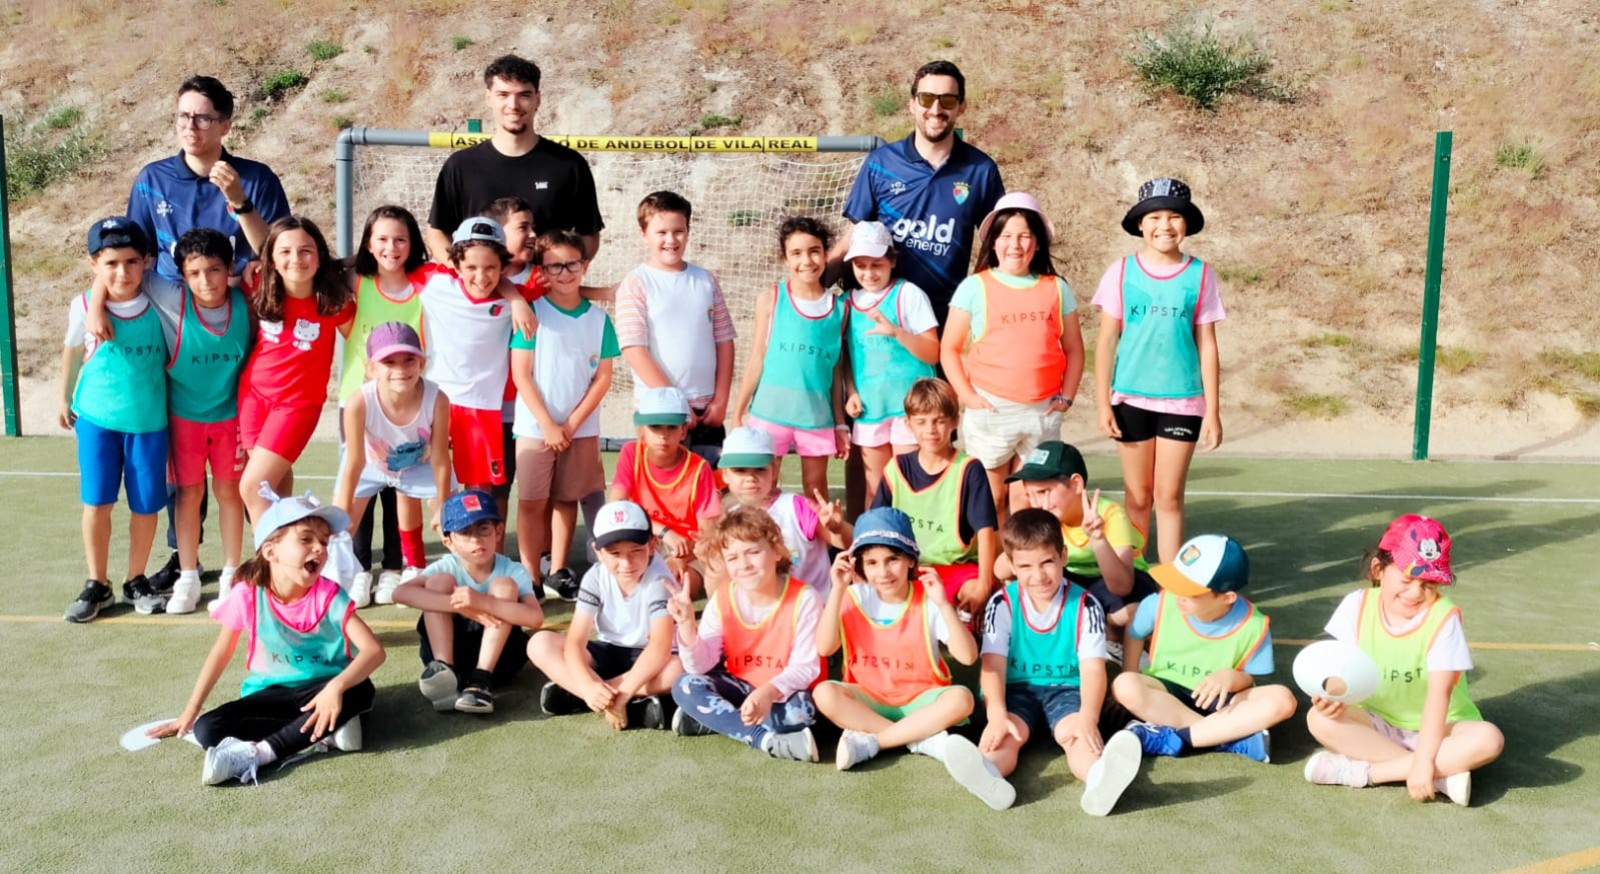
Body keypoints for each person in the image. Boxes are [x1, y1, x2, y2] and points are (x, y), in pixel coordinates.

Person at [125, 75, 290, 593]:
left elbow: (277, 253)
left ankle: (272, 545)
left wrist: (239, 202)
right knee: (185, 459)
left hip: (243, 328)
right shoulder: (153, 179)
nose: (189, 127)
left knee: (255, 449)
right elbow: (133, 255)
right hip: (177, 329)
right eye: (182, 116)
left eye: (201, 117)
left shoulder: (255, 178)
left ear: (225, 124)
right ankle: (185, 560)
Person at [144, 487, 383, 786]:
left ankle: (262, 753)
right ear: (270, 551)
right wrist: (189, 713)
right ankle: (326, 732)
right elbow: (221, 652)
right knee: (206, 730)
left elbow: (374, 651)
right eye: (306, 539)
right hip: (272, 694)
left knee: (359, 691)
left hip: (323, 688)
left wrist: (336, 687)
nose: (320, 549)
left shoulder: (328, 595)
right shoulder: (248, 593)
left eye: (323, 541)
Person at [815, 508, 1014, 809]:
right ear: (861, 567)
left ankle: (875, 743)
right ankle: (920, 741)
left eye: (892, 559)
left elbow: (968, 656)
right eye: (872, 563)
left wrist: (945, 605)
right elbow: (824, 648)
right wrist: (838, 589)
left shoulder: (927, 599)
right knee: (825, 693)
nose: (883, 572)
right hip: (870, 698)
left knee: (961, 698)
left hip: (920, 699)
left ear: (910, 559)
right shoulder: (854, 596)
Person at [1303, 515, 1503, 806]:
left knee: (1489, 740)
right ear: (1378, 570)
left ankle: (1367, 773)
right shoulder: (1356, 606)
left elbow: (1439, 694)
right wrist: (1331, 695)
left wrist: (1424, 759)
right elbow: (1341, 671)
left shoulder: (1443, 617)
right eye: (1407, 579)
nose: (1415, 593)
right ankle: (1441, 776)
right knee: (1319, 719)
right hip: (1377, 720)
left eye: (1428, 584)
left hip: (1443, 728)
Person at [977, 509, 1142, 817]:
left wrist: (1089, 717)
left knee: (1078, 737)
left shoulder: (1085, 605)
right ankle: (986, 774)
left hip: (1067, 690)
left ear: (1063, 556)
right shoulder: (1001, 603)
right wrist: (996, 713)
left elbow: (1093, 669)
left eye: (1047, 562)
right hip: (1016, 689)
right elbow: (992, 665)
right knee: (1005, 737)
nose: (1038, 575)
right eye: (1025, 566)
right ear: (1011, 565)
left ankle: (1100, 779)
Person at [1093, 178, 1224, 563]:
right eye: (1154, 216)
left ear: (1187, 224)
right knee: (1137, 495)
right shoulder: (1121, 272)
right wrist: (1103, 404)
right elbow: (1105, 342)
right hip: (1130, 396)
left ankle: (1169, 582)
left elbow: (1208, 344)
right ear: (1139, 224)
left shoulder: (1200, 275)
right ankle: (1135, 577)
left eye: (1174, 217)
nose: (1164, 226)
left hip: (1182, 401)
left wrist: (1213, 411)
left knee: (1168, 496)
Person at [941, 192, 1084, 521]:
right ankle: (990, 568)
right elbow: (948, 348)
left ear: (1037, 242)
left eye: (1024, 236)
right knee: (992, 495)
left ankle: (1019, 569)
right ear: (993, 242)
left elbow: (1074, 349)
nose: (1015, 245)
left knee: (1028, 497)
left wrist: (1067, 398)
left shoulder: (1056, 288)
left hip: (1042, 410)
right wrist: (969, 397)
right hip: (992, 408)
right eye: (1006, 236)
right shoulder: (974, 287)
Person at [60, 218, 170, 621]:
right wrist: (63, 396)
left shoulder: (161, 302)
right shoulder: (83, 305)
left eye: (130, 261)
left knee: (145, 506)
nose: (121, 272)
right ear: (94, 264)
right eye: (110, 263)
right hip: (97, 421)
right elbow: (71, 350)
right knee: (97, 503)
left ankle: (135, 578)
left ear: (146, 262)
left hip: (148, 423)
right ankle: (97, 583)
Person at [840, 60, 1004, 327]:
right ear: (912, 104)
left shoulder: (981, 170)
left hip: (944, 321)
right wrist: (814, 282)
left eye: (948, 100)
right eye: (927, 98)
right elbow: (854, 236)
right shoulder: (881, 163)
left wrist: (977, 302)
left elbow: (997, 246)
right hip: (880, 318)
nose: (936, 109)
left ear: (962, 107)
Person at [1112, 534, 1296, 764]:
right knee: (1125, 684)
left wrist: (1231, 678)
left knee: (1283, 699)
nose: (1178, 594)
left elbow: (1250, 679)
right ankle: (1226, 738)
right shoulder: (1161, 602)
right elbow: (1135, 632)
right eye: (1176, 581)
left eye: (1190, 590)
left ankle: (1179, 738)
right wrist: (1130, 673)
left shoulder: (1254, 623)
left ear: (1227, 597)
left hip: (1222, 701)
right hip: (1166, 692)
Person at [668, 507, 825, 762]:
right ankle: (764, 739)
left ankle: (717, 720)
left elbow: (805, 668)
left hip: (783, 693)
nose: (744, 565)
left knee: (803, 713)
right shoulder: (723, 597)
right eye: (733, 558)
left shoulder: (805, 598)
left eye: (753, 552)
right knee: (685, 685)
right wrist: (686, 624)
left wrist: (767, 693)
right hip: (740, 687)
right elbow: (700, 665)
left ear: (776, 551)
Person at [510, 230, 617, 599]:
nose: (565, 272)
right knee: (531, 502)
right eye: (555, 266)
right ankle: (530, 576)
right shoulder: (532, 313)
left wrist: (570, 425)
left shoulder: (600, 321)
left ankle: (557, 569)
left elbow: (602, 378)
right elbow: (521, 375)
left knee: (566, 499)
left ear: (584, 266)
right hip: (535, 427)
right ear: (542, 270)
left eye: (572, 264)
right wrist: (547, 424)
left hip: (579, 429)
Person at [337, 205, 431, 604]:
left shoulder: (427, 284)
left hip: (409, 398)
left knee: (404, 482)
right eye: (382, 239)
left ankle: (394, 566)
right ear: (369, 244)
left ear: (412, 244)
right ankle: (358, 567)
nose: (391, 247)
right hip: (359, 400)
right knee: (361, 480)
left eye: (400, 239)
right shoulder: (356, 281)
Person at [235, 216, 355, 523]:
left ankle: (271, 559)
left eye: (305, 251)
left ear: (319, 256)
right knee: (273, 484)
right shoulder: (259, 283)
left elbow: (361, 339)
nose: (295, 259)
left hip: (297, 406)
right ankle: (282, 557)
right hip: (252, 395)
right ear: (271, 258)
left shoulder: (333, 301)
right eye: (285, 251)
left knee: (252, 486)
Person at [426, 55, 603, 262]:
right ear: (488, 98)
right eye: (503, 94)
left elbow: (589, 234)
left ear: (538, 99)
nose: (514, 105)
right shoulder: (461, 165)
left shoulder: (568, 165)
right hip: (483, 293)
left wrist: (563, 275)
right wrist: (462, 276)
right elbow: (437, 232)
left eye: (524, 95)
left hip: (545, 292)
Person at [156, 230, 251, 613]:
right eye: (194, 273)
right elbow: (114, 270)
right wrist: (95, 305)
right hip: (184, 421)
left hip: (231, 420)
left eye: (214, 270)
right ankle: (189, 575)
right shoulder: (171, 302)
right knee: (189, 496)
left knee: (230, 493)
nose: (205, 280)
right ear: (182, 275)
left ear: (229, 268)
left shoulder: (247, 304)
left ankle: (232, 573)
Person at [528, 500, 682, 730]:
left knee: (677, 670)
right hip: (607, 651)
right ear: (597, 552)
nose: (626, 563)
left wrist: (616, 696)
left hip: (649, 659)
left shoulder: (660, 580)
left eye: (636, 551)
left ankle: (580, 697)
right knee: (539, 643)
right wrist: (587, 685)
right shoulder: (595, 577)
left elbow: (659, 647)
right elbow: (575, 642)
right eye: (614, 553)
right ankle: (615, 702)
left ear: (652, 545)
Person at [996, 441, 1157, 654]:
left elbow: (1122, 586)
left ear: (1076, 484)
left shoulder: (1109, 514)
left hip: (1116, 580)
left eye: (1044, 492)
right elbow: (1000, 570)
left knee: (1136, 611)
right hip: (1073, 580)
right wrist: (1022, 541)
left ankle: (1114, 636)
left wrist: (1098, 538)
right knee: (1019, 578)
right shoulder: (1044, 519)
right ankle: (1035, 633)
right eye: (1031, 494)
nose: (1038, 503)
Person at [393, 490, 545, 715]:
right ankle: (445, 671)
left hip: (500, 660)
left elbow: (535, 618)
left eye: (483, 529)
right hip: (453, 649)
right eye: (464, 532)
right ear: (449, 542)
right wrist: (462, 606)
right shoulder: (447, 566)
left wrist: (483, 602)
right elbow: (401, 593)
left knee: (505, 586)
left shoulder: (513, 570)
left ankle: (481, 681)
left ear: (499, 531)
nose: (475, 539)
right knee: (438, 582)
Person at [332, 323, 453, 607]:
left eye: (409, 359)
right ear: (371, 367)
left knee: (454, 522)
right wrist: (339, 514)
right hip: (370, 465)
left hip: (420, 464)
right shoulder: (358, 402)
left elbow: (440, 459)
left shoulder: (437, 399)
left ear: (422, 362)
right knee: (338, 529)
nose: (400, 368)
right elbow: (353, 462)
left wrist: (445, 507)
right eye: (388, 361)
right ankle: (336, 584)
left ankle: (424, 569)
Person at [730, 216, 849, 500]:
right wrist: (737, 414)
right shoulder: (771, 298)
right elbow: (757, 357)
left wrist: (840, 422)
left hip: (816, 417)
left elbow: (835, 372)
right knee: (763, 490)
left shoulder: (840, 309)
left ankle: (816, 545)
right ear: (785, 258)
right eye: (796, 253)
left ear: (825, 253)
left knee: (816, 492)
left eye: (814, 251)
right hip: (769, 415)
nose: (806, 260)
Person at [615, 191, 736, 463]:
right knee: (663, 491)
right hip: (660, 412)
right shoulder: (636, 283)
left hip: (707, 412)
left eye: (678, 231)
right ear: (643, 234)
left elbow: (724, 342)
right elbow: (635, 351)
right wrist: (676, 403)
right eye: (661, 232)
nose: (671, 240)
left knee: (710, 495)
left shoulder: (706, 280)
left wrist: (720, 400)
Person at [869, 378, 996, 625]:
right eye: (921, 422)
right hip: (908, 570)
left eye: (939, 420)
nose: (931, 430)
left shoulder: (969, 469)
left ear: (954, 421)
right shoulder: (897, 468)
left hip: (958, 570)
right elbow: (876, 528)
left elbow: (986, 531)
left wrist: (984, 584)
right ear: (908, 424)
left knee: (974, 602)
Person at [419, 217, 521, 496]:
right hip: (435, 401)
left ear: (503, 267)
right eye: (471, 267)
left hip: (482, 407)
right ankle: (418, 541)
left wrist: (516, 299)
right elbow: (387, 267)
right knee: (428, 484)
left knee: (478, 487)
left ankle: (479, 539)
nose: (481, 276)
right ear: (456, 264)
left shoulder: (514, 299)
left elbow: (561, 291)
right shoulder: (434, 284)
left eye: (490, 268)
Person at [841, 221, 939, 506]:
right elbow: (846, 357)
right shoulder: (848, 303)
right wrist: (852, 393)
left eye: (876, 264)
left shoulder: (909, 295)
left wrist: (897, 332)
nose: (869, 273)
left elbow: (933, 352)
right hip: (871, 409)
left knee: (910, 488)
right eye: (861, 265)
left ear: (891, 261)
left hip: (909, 411)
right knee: (877, 490)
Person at [711, 426, 852, 594]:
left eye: (760, 469)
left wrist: (837, 528)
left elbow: (851, 542)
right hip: (764, 613)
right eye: (740, 470)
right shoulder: (729, 517)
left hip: (814, 607)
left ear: (774, 471)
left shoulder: (796, 507)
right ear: (724, 475)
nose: (750, 478)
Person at [608, 387, 721, 596]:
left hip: (690, 552)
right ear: (641, 429)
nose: (663, 436)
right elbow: (615, 510)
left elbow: (708, 534)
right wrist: (664, 532)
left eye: (671, 427)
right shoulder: (631, 453)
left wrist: (680, 559)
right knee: (620, 588)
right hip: (646, 540)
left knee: (665, 597)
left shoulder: (699, 469)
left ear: (684, 430)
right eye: (655, 427)